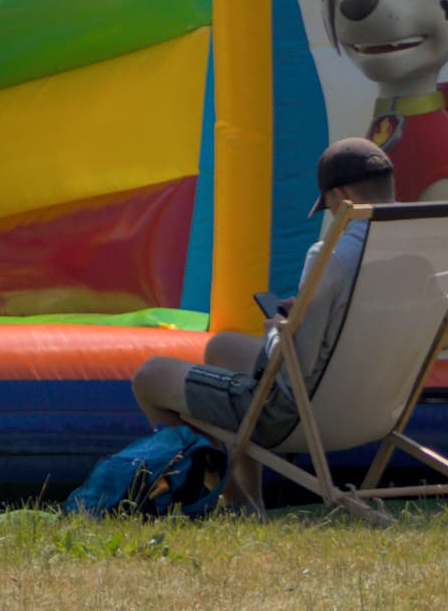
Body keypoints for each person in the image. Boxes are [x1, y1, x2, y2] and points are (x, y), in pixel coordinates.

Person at [132, 136, 396, 509]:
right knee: (222, 347)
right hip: (378, 408)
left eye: (331, 206)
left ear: (343, 194)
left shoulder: (332, 256)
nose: (333, 215)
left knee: (149, 376)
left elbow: (296, 368)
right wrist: (307, 310)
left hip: (303, 413)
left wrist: (277, 327)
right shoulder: (422, 251)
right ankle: (250, 499)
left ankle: (235, 502)